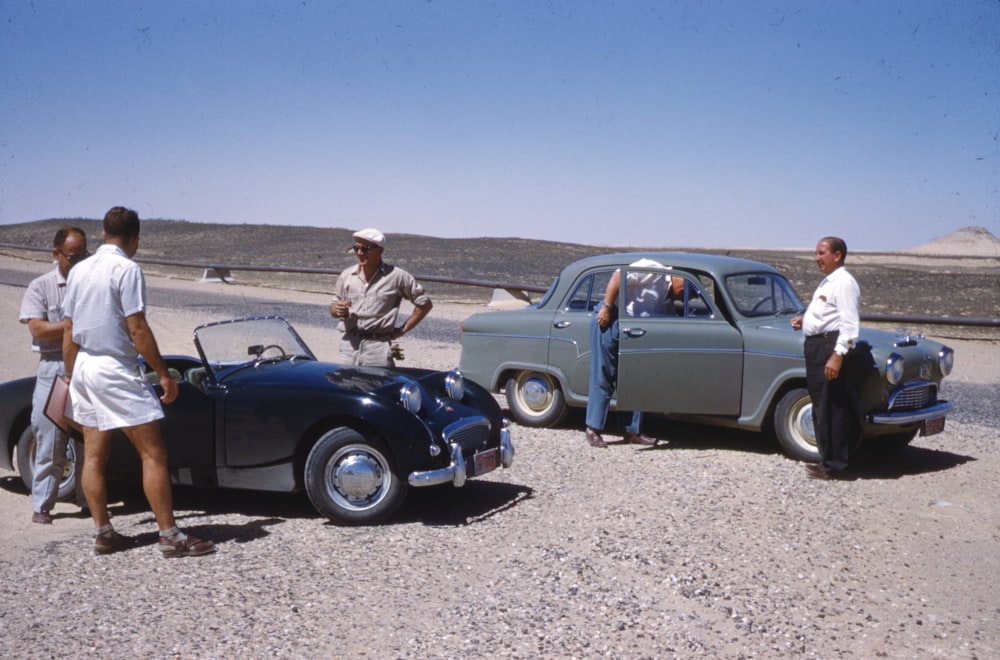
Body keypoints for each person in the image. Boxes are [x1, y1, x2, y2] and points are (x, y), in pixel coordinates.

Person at [62, 207, 215, 556]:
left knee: (94, 456)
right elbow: (137, 327)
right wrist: (162, 373)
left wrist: (72, 374)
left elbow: (69, 329)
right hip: (115, 367)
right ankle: (170, 535)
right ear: (135, 239)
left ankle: (103, 532)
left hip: (84, 364)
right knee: (153, 452)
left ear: (102, 234)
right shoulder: (127, 269)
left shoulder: (79, 270)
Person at [18, 226, 89, 524]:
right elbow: (37, 328)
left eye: (83, 255)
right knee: (49, 435)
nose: (78, 262)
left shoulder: (89, 282)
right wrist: (72, 325)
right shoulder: (41, 286)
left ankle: (89, 501)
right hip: (54, 364)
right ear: (56, 253)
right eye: (72, 257)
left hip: (86, 361)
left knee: (90, 435)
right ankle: (43, 504)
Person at [584, 258, 682, 448]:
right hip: (611, 319)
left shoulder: (668, 296)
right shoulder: (654, 270)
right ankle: (592, 429)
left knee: (634, 379)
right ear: (681, 284)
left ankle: (632, 431)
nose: (681, 297)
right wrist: (607, 307)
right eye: (684, 293)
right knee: (603, 374)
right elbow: (619, 275)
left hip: (633, 330)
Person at [791, 236, 862, 480]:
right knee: (821, 406)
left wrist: (837, 355)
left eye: (822, 253)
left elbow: (849, 324)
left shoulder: (843, 283)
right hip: (817, 346)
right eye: (816, 253)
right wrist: (805, 320)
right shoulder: (828, 282)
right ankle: (827, 461)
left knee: (831, 407)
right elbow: (826, 313)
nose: (817, 258)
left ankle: (836, 466)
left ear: (837, 255)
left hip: (828, 349)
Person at [329, 228, 433, 367]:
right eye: (356, 248)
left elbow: (425, 304)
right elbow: (333, 305)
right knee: (347, 387)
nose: (359, 253)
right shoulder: (347, 276)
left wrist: (402, 330)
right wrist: (336, 310)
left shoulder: (397, 276)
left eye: (365, 249)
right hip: (349, 346)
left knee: (378, 386)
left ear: (379, 251)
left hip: (378, 349)